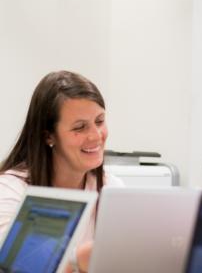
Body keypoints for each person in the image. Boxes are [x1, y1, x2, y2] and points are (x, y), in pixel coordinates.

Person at [0, 70, 123, 273]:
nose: (96, 136)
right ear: (49, 136)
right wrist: (75, 261)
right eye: (80, 127)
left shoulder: (112, 188)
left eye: (99, 121)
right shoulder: (10, 191)